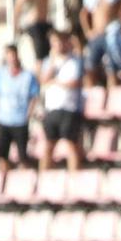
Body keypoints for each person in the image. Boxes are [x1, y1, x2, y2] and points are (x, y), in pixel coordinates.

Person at [37, 29, 86, 173]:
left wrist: (57, 82)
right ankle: (43, 179)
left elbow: (75, 82)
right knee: (48, 145)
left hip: (69, 108)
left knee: (71, 144)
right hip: (52, 108)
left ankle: (74, 177)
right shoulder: (49, 62)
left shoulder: (75, 61)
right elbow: (43, 80)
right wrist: (52, 65)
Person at [0, 46, 41, 170]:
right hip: (4, 119)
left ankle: (24, 181)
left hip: (20, 120)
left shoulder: (28, 76)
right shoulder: (0, 74)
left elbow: (34, 96)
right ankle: (3, 182)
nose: (12, 59)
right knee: (2, 155)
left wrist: (28, 113)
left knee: (22, 156)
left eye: (13, 55)